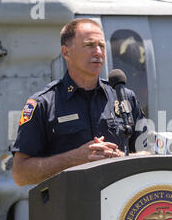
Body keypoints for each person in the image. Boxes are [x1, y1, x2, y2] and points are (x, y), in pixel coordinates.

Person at [12, 19, 147, 186]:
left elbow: (150, 153)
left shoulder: (124, 97)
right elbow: (20, 175)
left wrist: (120, 158)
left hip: (120, 207)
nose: (98, 52)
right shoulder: (43, 104)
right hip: (68, 207)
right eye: (89, 45)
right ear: (66, 53)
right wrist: (74, 159)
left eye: (102, 46)